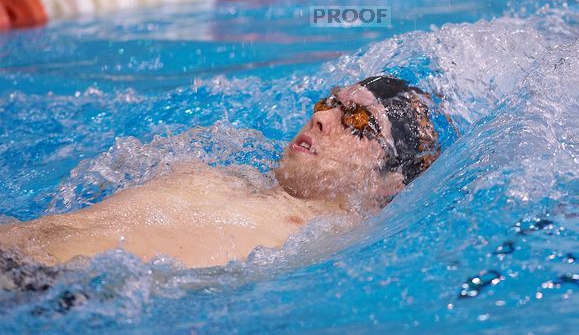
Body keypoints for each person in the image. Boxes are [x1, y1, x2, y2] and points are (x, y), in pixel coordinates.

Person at [0, 76, 441, 270]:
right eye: (331, 103)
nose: (322, 119)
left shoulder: (338, 237)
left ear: (390, 182)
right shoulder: (224, 171)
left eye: (359, 122)